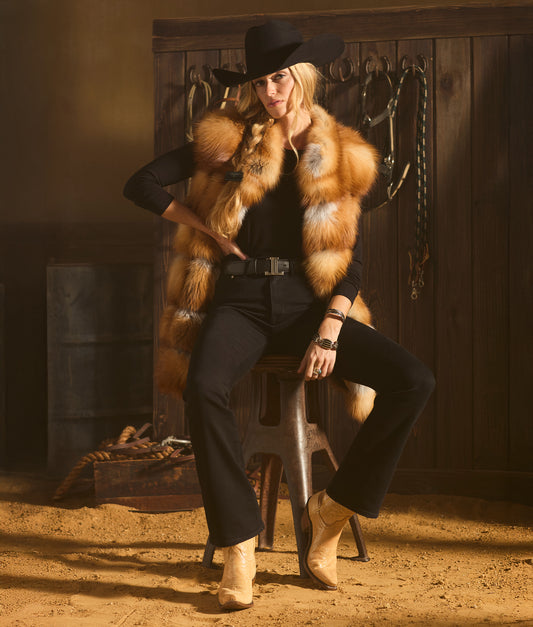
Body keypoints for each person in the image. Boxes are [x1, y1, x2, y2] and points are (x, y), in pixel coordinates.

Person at [124, 19, 435, 612]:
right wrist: (208, 227)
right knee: (203, 387)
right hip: (241, 301)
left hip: (309, 305)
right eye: (261, 82)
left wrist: (330, 329)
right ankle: (240, 542)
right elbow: (141, 183)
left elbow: (351, 262)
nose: (270, 91)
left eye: (280, 78)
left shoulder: (340, 153)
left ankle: (332, 511)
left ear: (303, 77)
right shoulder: (233, 140)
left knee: (414, 380)